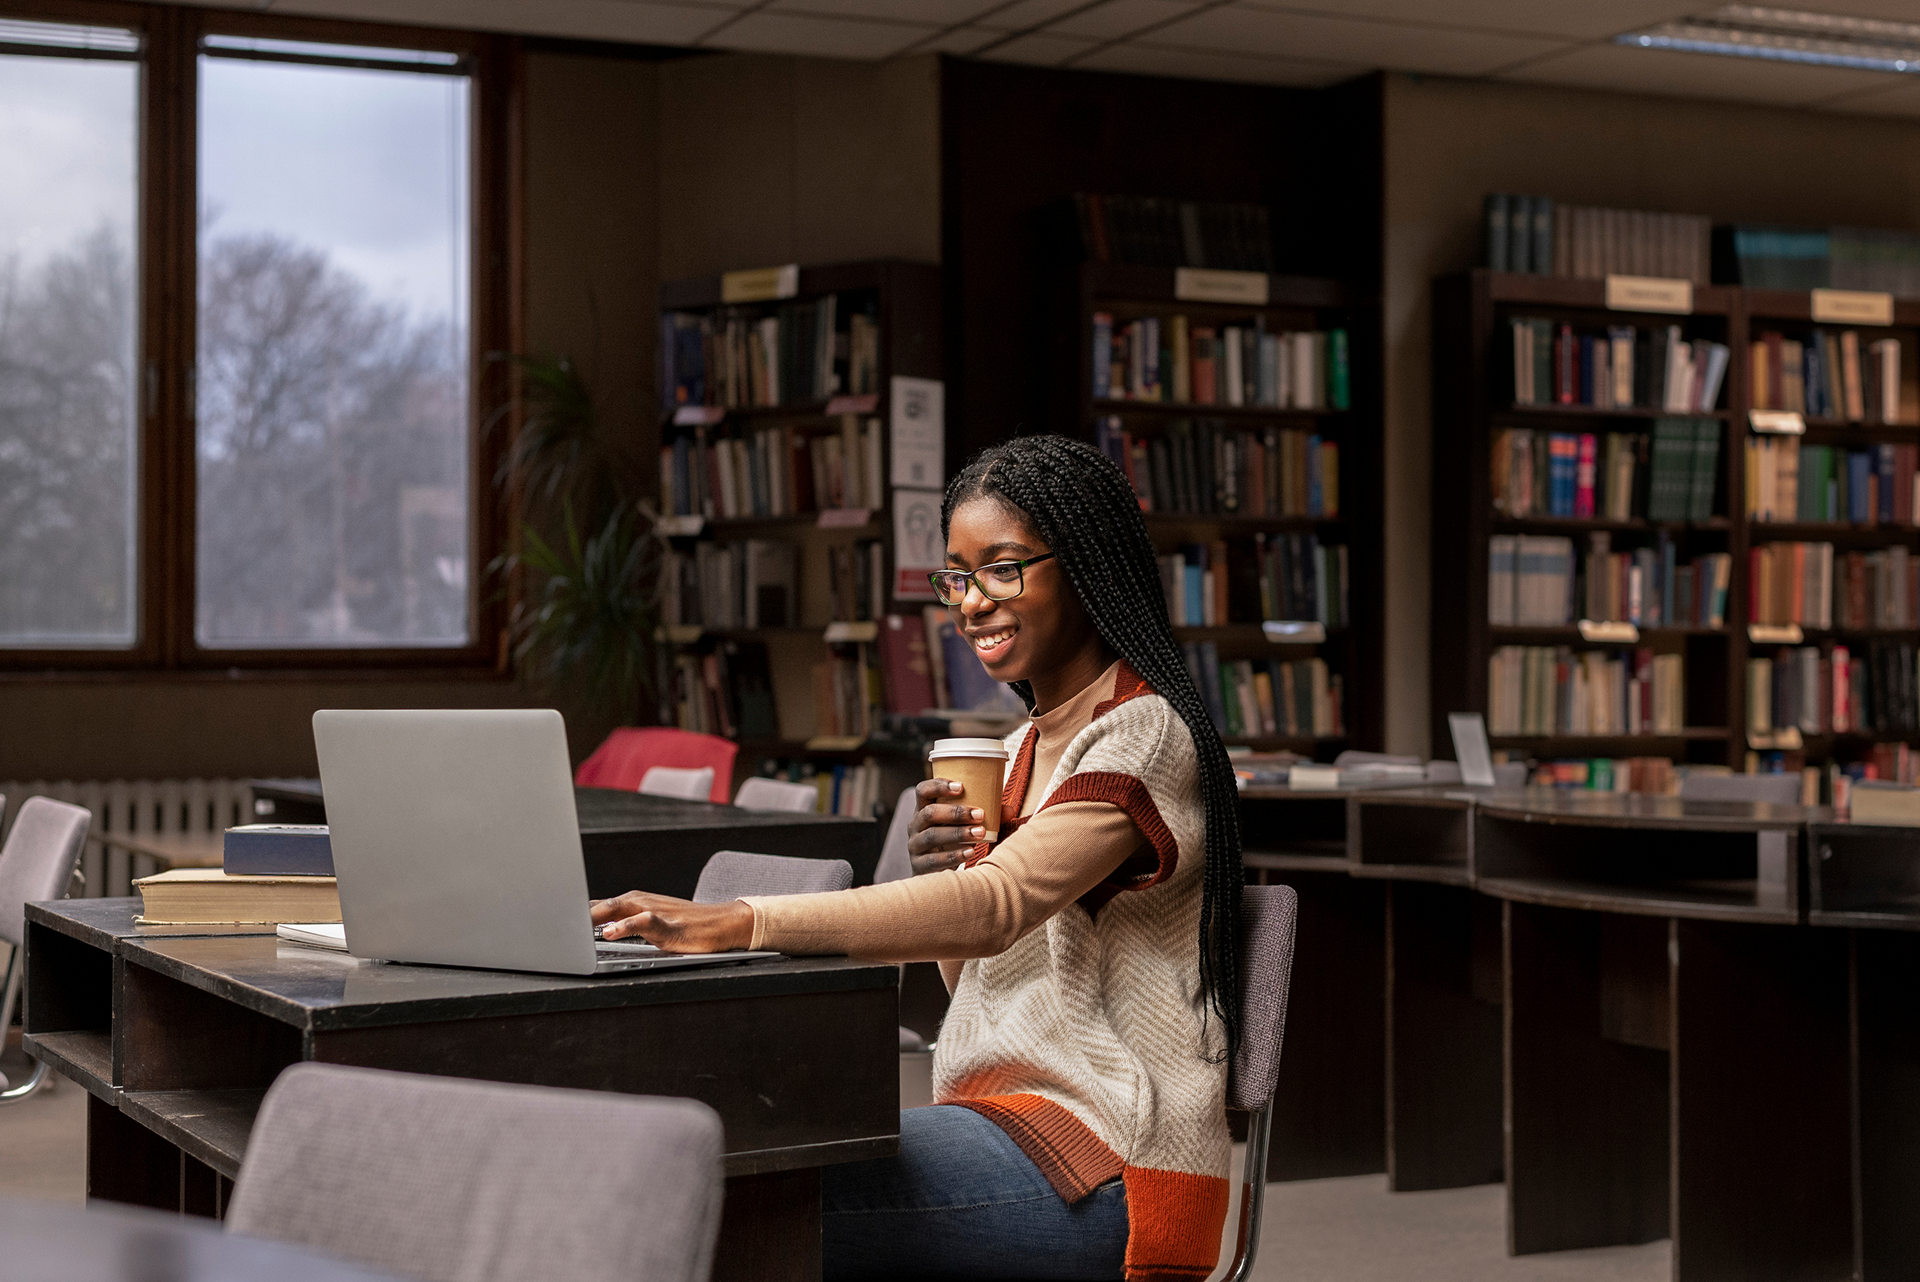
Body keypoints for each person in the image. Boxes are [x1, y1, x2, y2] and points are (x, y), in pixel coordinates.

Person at [592, 435, 1244, 1282]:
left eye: (1002, 569)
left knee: (732, 1196)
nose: (971, 602)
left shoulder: (1142, 731)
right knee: (719, 1176)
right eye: (957, 577)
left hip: (1112, 1156)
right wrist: (948, 876)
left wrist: (742, 920)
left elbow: (998, 906)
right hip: (1002, 1124)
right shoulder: (1012, 754)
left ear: (1082, 568)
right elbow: (980, 972)